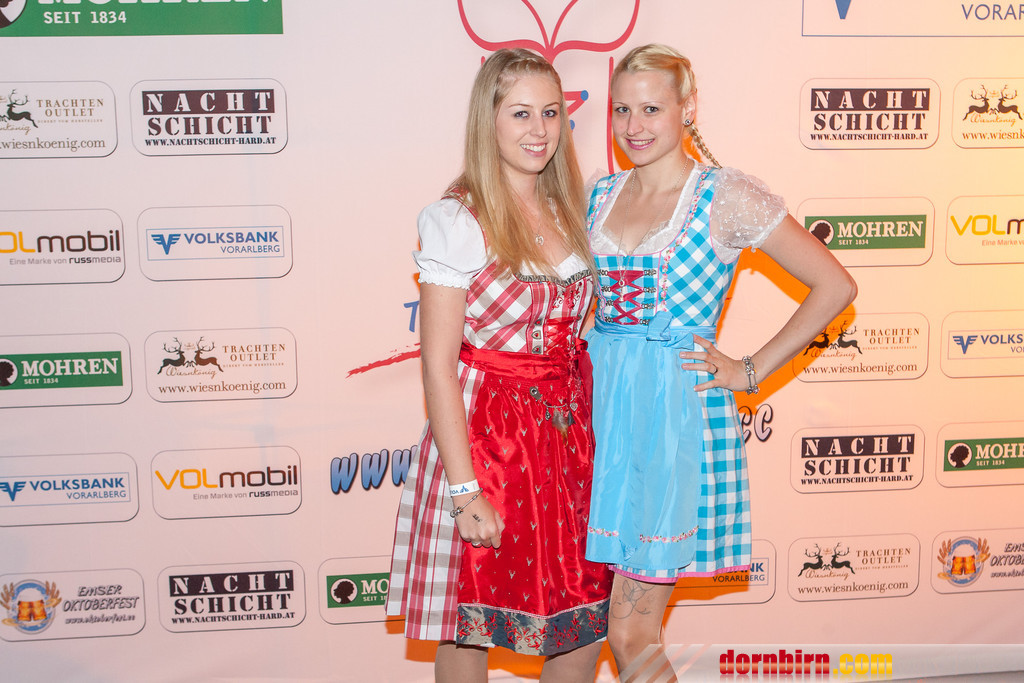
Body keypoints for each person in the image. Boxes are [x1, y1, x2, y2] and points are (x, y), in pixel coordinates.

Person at [583, 44, 857, 677]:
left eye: (652, 108)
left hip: (670, 422)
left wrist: (749, 370)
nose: (634, 126)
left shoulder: (724, 195)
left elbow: (835, 286)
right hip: (600, 418)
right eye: (622, 109)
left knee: (630, 632)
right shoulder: (600, 193)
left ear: (688, 108)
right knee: (592, 624)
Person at [385, 48, 613, 682]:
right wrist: (464, 492)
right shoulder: (459, 219)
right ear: (488, 120)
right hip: (490, 440)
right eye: (520, 114)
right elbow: (438, 367)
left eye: (551, 113)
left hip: (571, 440)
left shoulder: (574, 208)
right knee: (470, 621)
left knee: (584, 615)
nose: (539, 130)